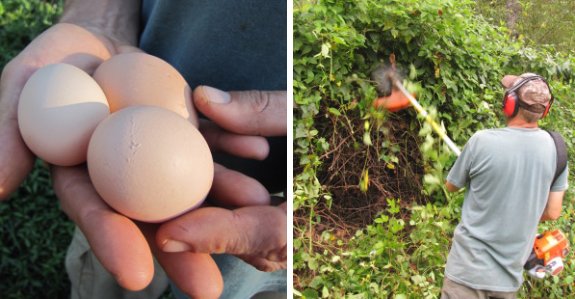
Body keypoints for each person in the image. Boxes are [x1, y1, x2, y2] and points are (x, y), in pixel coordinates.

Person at [0, 0, 287, 298]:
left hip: (271, 202)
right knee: (118, 266)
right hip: (143, 89)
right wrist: (102, 17)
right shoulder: (109, 131)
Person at [440, 73, 568, 299]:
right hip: (508, 280)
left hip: (466, 273)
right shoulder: (557, 149)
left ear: (510, 103)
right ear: (545, 110)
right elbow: (552, 212)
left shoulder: (481, 141)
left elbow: (450, 187)